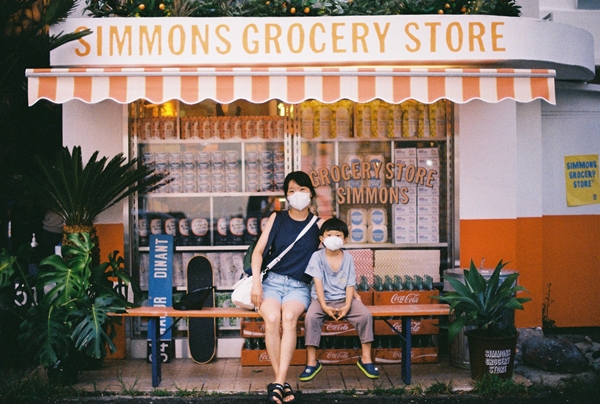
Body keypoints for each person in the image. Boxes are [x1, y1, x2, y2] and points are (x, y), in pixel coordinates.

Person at [250, 171, 323, 404]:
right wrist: (256, 284)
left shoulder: (319, 225)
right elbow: (258, 252)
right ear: (286, 196)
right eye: (291, 191)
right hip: (271, 283)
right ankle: (281, 382)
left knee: (289, 317)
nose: (297, 194)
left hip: (299, 287)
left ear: (311, 194)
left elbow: (334, 256)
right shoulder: (277, 218)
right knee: (272, 319)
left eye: (302, 189)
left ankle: (278, 384)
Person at [299, 217, 380, 382]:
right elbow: (318, 283)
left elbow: (350, 284)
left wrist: (348, 305)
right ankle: (312, 362)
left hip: (344, 298)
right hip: (321, 299)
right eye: (329, 235)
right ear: (321, 238)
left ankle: (366, 359)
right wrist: (323, 306)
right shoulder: (317, 257)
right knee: (311, 318)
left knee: (365, 316)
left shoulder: (348, 257)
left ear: (345, 239)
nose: (333, 238)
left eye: (338, 235)